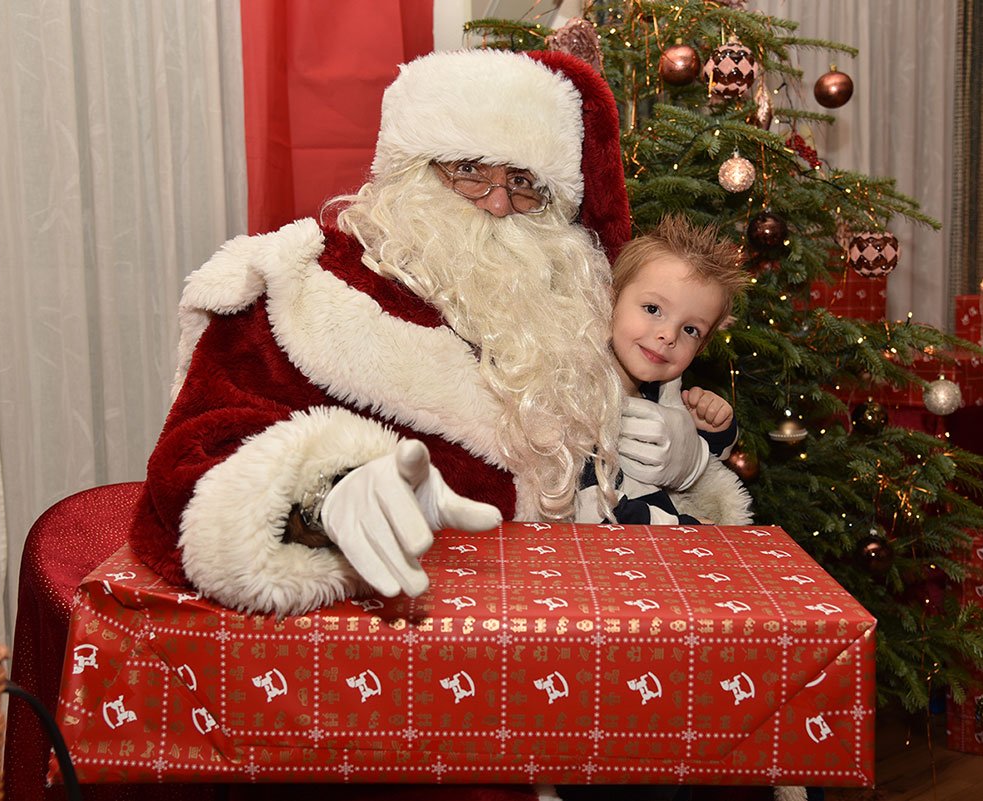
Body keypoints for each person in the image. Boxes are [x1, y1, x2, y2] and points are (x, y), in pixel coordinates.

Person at [128, 47, 710, 617]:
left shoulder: (572, 313)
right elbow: (193, 462)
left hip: (555, 624)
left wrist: (689, 464)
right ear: (410, 171)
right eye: (468, 170)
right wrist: (318, 500)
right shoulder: (302, 288)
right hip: (365, 644)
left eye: (524, 182)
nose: (498, 204)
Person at [602, 214, 750, 525]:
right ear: (610, 299)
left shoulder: (665, 387)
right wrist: (682, 527)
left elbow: (709, 457)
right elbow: (595, 505)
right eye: (653, 309)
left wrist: (715, 426)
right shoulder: (580, 389)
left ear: (702, 346)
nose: (669, 335)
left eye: (690, 330)